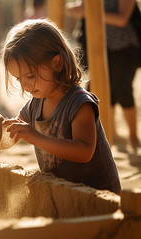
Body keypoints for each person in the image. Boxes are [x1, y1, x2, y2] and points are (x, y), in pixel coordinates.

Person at [0, 19, 121, 194]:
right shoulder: (35, 104)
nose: (25, 85)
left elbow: (84, 151)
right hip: (64, 193)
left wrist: (36, 137)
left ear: (56, 63)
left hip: (97, 197)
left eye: (30, 76)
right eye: (19, 79)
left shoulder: (79, 103)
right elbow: (13, 134)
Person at [66, 0, 141, 150]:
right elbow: (70, 8)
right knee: (99, 90)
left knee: (123, 90)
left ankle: (133, 137)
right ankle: (111, 134)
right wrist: (79, 9)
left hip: (125, 47)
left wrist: (91, 12)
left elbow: (122, 19)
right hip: (99, 48)